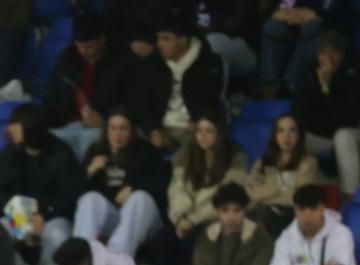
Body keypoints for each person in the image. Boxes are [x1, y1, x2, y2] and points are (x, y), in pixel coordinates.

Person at [0, 103, 80, 265]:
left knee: (58, 236)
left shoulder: (61, 153)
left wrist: (44, 215)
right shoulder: (9, 152)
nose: (9, 129)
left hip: (54, 216)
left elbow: (69, 197)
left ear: (29, 127)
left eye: (14, 125)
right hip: (18, 213)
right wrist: (23, 217)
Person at [72, 109, 169, 257]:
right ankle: (80, 255)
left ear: (131, 131)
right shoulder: (95, 151)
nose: (118, 134)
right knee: (90, 198)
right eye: (113, 128)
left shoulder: (146, 151)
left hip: (145, 218)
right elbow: (73, 193)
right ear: (106, 130)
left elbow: (162, 184)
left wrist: (134, 188)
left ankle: (116, 257)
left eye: (123, 128)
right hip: (115, 217)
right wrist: (90, 171)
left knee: (140, 197)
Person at [43, 14, 128, 161]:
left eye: (89, 47)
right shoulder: (66, 60)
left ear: (102, 41)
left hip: (100, 128)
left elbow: (126, 103)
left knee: (90, 143)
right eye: (79, 46)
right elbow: (52, 99)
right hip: (66, 125)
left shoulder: (119, 63)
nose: (83, 52)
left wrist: (104, 121)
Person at [134, 20, 226, 150]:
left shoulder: (209, 64)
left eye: (166, 39)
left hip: (191, 129)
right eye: (158, 38)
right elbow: (145, 104)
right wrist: (153, 130)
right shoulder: (153, 64)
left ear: (183, 40)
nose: (159, 44)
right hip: (160, 128)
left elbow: (211, 102)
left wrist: (198, 122)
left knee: (199, 143)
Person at [265, 182, 359, 265]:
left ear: (322, 208)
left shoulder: (341, 234)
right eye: (302, 209)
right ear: (295, 210)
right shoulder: (285, 239)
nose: (307, 215)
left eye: (313, 208)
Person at [292, 32, 360, 198]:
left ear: (342, 55)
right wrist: (321, 88)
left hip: (351, 132)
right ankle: (291, 193)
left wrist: (327, 87)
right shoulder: (308, 72)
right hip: (319, 134)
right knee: (290, 133)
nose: (329, 57)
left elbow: (348, 118)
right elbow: (299, 112)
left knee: (342, 137)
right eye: (324, 52)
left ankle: (350, 196)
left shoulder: (354, 72)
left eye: (334, 52)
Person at [167, 111, 247, 244]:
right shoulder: (185, 155)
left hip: (212, 219)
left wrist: (193, 220)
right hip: (184, 217)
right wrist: (180, 218)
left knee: (193, 241)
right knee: (163, 239)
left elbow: (226, 197)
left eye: (209, 131)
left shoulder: (235, 157)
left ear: (219, 133)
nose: (202, 136)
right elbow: (176, 190)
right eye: (199, 130)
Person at [192, 181, 275, 265]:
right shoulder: (206, 239)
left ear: (245, 210)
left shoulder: (261, 239)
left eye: (237, 210)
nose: (231, 216)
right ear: (217, 212)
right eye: (225, 210)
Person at [245, 113, 325, 236]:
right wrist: (280, 190)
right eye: (280, 131)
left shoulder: (308, 163)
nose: (286, 136)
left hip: (291, 216)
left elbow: (299, 199)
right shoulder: (263, 161)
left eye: (292, 131)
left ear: (299, 135)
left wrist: (266, 192)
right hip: (263, 213)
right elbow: (250, 192)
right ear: (275, 135)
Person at [260, 0, 330, 96]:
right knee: (271, 27)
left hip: (317, 28)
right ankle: (270, 83)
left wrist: (308, 16)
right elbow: (269, 12)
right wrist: (286, 14)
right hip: (288, 25)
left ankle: (290, 82)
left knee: (310, 28)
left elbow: (326, 13)